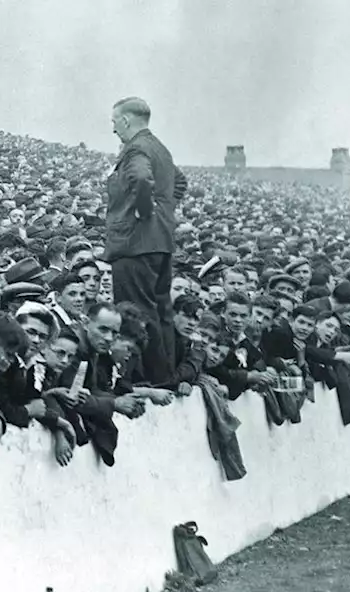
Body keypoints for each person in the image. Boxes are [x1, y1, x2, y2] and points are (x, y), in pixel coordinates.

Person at [106, 97, 188, 385]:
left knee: (136, 312)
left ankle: (150, 378)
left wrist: (143, 212)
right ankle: (166, 374)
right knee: (161, 311)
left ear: (126, 121)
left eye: (115, 121)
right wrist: (163, 214)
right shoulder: (159, 148)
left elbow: (141, 179)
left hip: (134, 243)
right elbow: (179, 182)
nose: (113, 129)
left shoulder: (136, 148)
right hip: (160, 242)